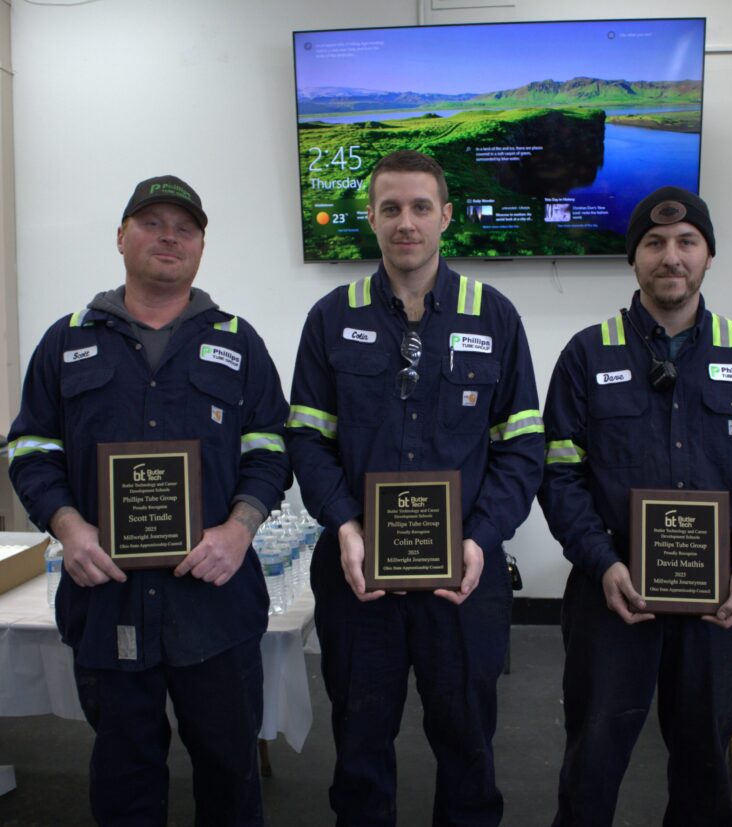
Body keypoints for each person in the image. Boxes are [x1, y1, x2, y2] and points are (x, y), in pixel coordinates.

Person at [7, 175, 291, 825]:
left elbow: (271, 449)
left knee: (230, 776)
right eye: (152, 222)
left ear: (200, 245)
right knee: (124, 778)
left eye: (184, 227)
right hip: (109, 602)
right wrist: (67, 525)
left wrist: (240, 529)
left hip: (215, 605)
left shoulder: (238, 341)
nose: (169, 236)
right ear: (121, 235)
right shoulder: (66, 341)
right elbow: (31, 449)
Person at [286, 149, 544, 826]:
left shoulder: (495, 317)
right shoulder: (329, 317)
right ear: (370, 217)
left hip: (463, 577)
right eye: (392, 208)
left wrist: (481, 537)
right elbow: (308, 440)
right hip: (356, 573)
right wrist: (343, 522)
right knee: (361, 748)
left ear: (446, 218)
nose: (407, 222)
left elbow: (522, 449)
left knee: (467, 746)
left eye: (421, 207)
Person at [538, 185, 732, 826]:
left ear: (710, 255)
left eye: (687, 242)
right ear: (634, 258)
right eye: (654, 243)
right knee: (592, 758)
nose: (671, 256)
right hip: (612, 595)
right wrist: (602, 563)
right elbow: (559, 477)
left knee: (706, 766)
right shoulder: (586, 354)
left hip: (720, 601)